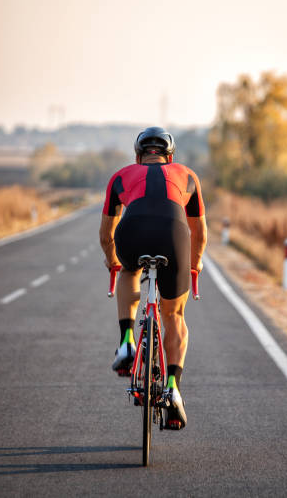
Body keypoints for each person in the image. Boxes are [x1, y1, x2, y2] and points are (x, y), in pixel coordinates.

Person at [99, 127, 207, 430]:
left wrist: (113, 263)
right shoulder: (187, 175)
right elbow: (199, 232)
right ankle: (173, 386)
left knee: (128, 270)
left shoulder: (121, 176)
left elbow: (107, 233)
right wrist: (194, 267)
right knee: (173, 314)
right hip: (174, 235)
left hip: (131, 231)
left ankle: (126, 342)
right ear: (169, 156)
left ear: (138, 155)